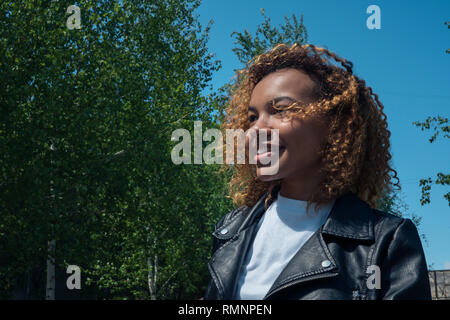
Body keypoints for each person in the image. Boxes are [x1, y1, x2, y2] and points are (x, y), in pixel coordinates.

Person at [203, 43, 431, 300]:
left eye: (280, 110)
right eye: (252, 117)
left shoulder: (387, 242)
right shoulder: (230, 230)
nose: (254, 131)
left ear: (334, 127)